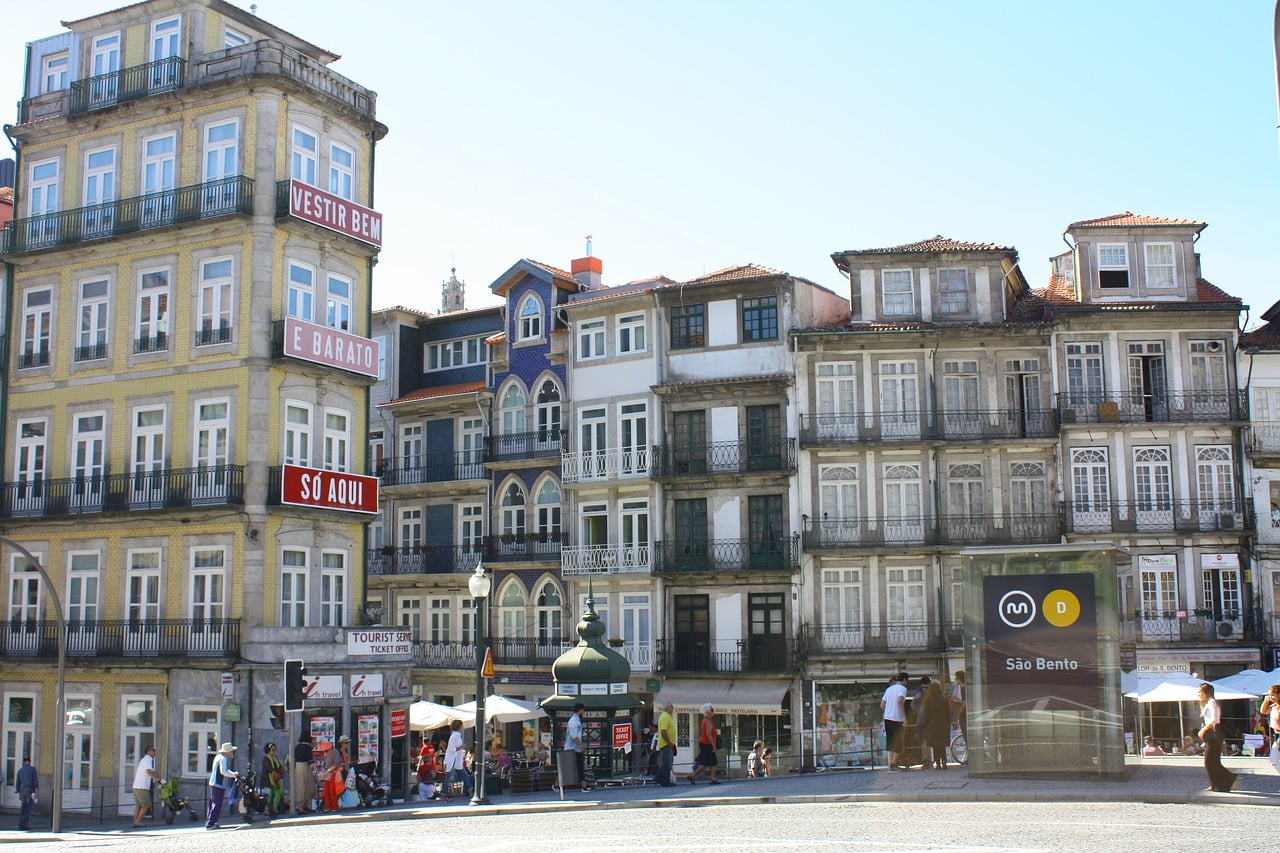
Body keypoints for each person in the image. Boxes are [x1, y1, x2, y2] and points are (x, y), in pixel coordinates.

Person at [1197, 682, 1237, 792]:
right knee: (1212, 761)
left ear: (1206, 693)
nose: (1198, 694)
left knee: (1210, 761)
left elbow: (1215, 719)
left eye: (1200, 692)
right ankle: (1217, 784)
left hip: (1214, 732)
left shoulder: (1212, 702)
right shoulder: (1207, 703)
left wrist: (1204, 729)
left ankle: (1228, 779)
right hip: (1211, 734)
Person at [205, 742, 239, 830]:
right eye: (231, 751)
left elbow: (224, 770)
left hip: (213, 783)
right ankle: (210, 824)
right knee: (217, 804)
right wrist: (233, 775)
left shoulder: (218, 757)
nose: (231, 753)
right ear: (227, 752)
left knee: (212, 803)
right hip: (218, 784)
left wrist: (233, 774)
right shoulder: (224, 759)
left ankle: (210, 821)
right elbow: (223, 771)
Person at [881, 672, 909, 770]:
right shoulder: (903, 689)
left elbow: (882, 704)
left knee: (890, 741)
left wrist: (888, 711)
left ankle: (891, 763)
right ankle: (893, 763)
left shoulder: (889, 689)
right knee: (898, 742)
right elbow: (900, 701)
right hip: (897, 718)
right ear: (905, 680)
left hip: (887, 717)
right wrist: (904, 717)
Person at [688, 703, 720, 785]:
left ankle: (712, 778)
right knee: (705, 763)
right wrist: (713, 745)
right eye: (712, 710)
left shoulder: (705, 720)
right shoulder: (708, 721)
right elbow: (708, 734)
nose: (713, 712)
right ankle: (692, 775)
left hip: (704, 743)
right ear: (708, 712)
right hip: (707, 744)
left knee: (712, 762)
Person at [131, 743, 161, 827]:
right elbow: (148, 771)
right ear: (148, 752)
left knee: (139, 805)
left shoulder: (145, 759)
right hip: (142, 786)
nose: (155, 752)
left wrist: (159, 778)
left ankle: (135, 821)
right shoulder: (148, 759)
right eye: (153, 750)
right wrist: (155, 778)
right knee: (146, 805)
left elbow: (153, 771)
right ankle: (138, 821)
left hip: (136, 786)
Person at [922, 681, 950, 770]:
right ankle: (944, 762)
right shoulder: (944, 700)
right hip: (943, 724)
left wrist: (924, 725)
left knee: (935, 745)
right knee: (942, 744)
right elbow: (947, 713)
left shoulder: (927, 701)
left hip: (931, 725)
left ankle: (937, 763)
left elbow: (925, 715)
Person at [443, 719, 472, 799]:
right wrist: (462, 747)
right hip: (453, 761)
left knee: (464, 775)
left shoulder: (457, 736)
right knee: (449, 778)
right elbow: (452, 749)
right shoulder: (454, 736)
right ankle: (444, 793)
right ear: (459, 727)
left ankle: (470, 790)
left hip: (457, 761)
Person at [565, 702, 591, 791]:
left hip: (575, 749)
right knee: (570, 768)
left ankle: (583, 785)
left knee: (577, 767)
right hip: (572, 749)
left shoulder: (576, 721)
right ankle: (583, 786)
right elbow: (574, 736)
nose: (583, 713)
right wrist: (581, 746)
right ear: (580, 710)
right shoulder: (573, 722)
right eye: (583, 711)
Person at [321, 735, 350, 811]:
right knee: (326, 791)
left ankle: (334, 807)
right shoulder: (326, 753)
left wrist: (328, 770)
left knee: (332, 791)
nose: (327, 751)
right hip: (327, 773)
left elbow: (336, 763)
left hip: (333, 772)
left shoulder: (335, 752)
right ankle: (328, 807)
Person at [292, 734, 316, 814]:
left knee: (300, 786)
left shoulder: (297, 746)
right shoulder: (307, 747)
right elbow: (310, 760)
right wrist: (315, 769)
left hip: (297, 766)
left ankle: (302, 806)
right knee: (306, 787)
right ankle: (301, 806)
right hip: (304, 767)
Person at [656, 701, 677, 786]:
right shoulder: (665, 717)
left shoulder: (667, 716)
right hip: (666, 744)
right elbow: (663, 731)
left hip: (668, 744)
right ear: (667, 707)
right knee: (667, 763)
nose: (673, 708)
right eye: (671, 706)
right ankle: (665, 780)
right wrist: (668, 742)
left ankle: (659, 778)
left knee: (668, 762)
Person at [261, 743, 286, 816]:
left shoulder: (275, 758)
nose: (274, 751)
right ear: (268, 750)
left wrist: (281, 771)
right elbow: (268, 768)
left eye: (275, 750)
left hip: (275, 780)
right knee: (270, 795)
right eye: (272, 750)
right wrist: (275, 773)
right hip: (268, 780)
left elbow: (279, 766)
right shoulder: (266, 759)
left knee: (278, 792)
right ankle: (267, 810)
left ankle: (275, 807)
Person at [15, 755, 38, 832]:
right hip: (30, 791)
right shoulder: (32, 769)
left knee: (23, 809)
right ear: (29, 761)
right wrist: (36, 792)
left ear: (23, 762)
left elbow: (18, 783)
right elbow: (35, 782)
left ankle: (20, 824)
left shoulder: (20, 770)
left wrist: (19, 793)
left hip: (23, 791)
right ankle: (23, 825)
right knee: (28, 809)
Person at [949, 671, 967, 737]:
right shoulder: (963, 688)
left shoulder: (964, 689)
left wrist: (959, 713)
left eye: (956, 678)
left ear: (959, 679)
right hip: (964, 713)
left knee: (965, 733)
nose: (955, 680)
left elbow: (965, 703)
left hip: (964, 715)